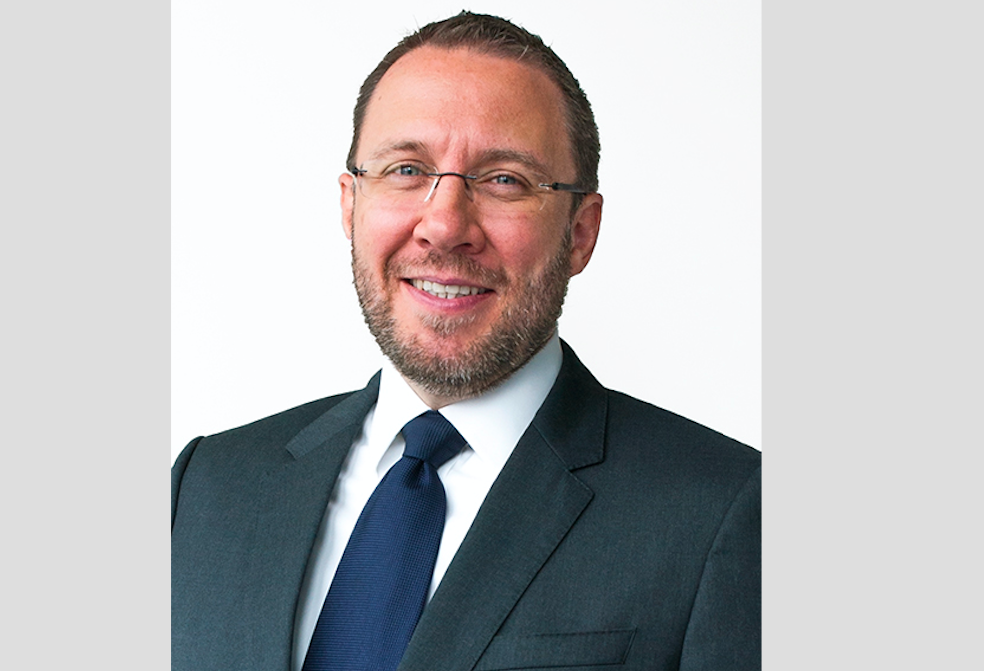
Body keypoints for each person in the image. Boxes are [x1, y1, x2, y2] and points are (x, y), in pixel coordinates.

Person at [171, 11, 760, 671]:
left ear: (581, 232)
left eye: (505, 179)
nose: (445, 225)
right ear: (350, 205)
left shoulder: (727, 512)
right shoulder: (206, 488)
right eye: (406, 169)